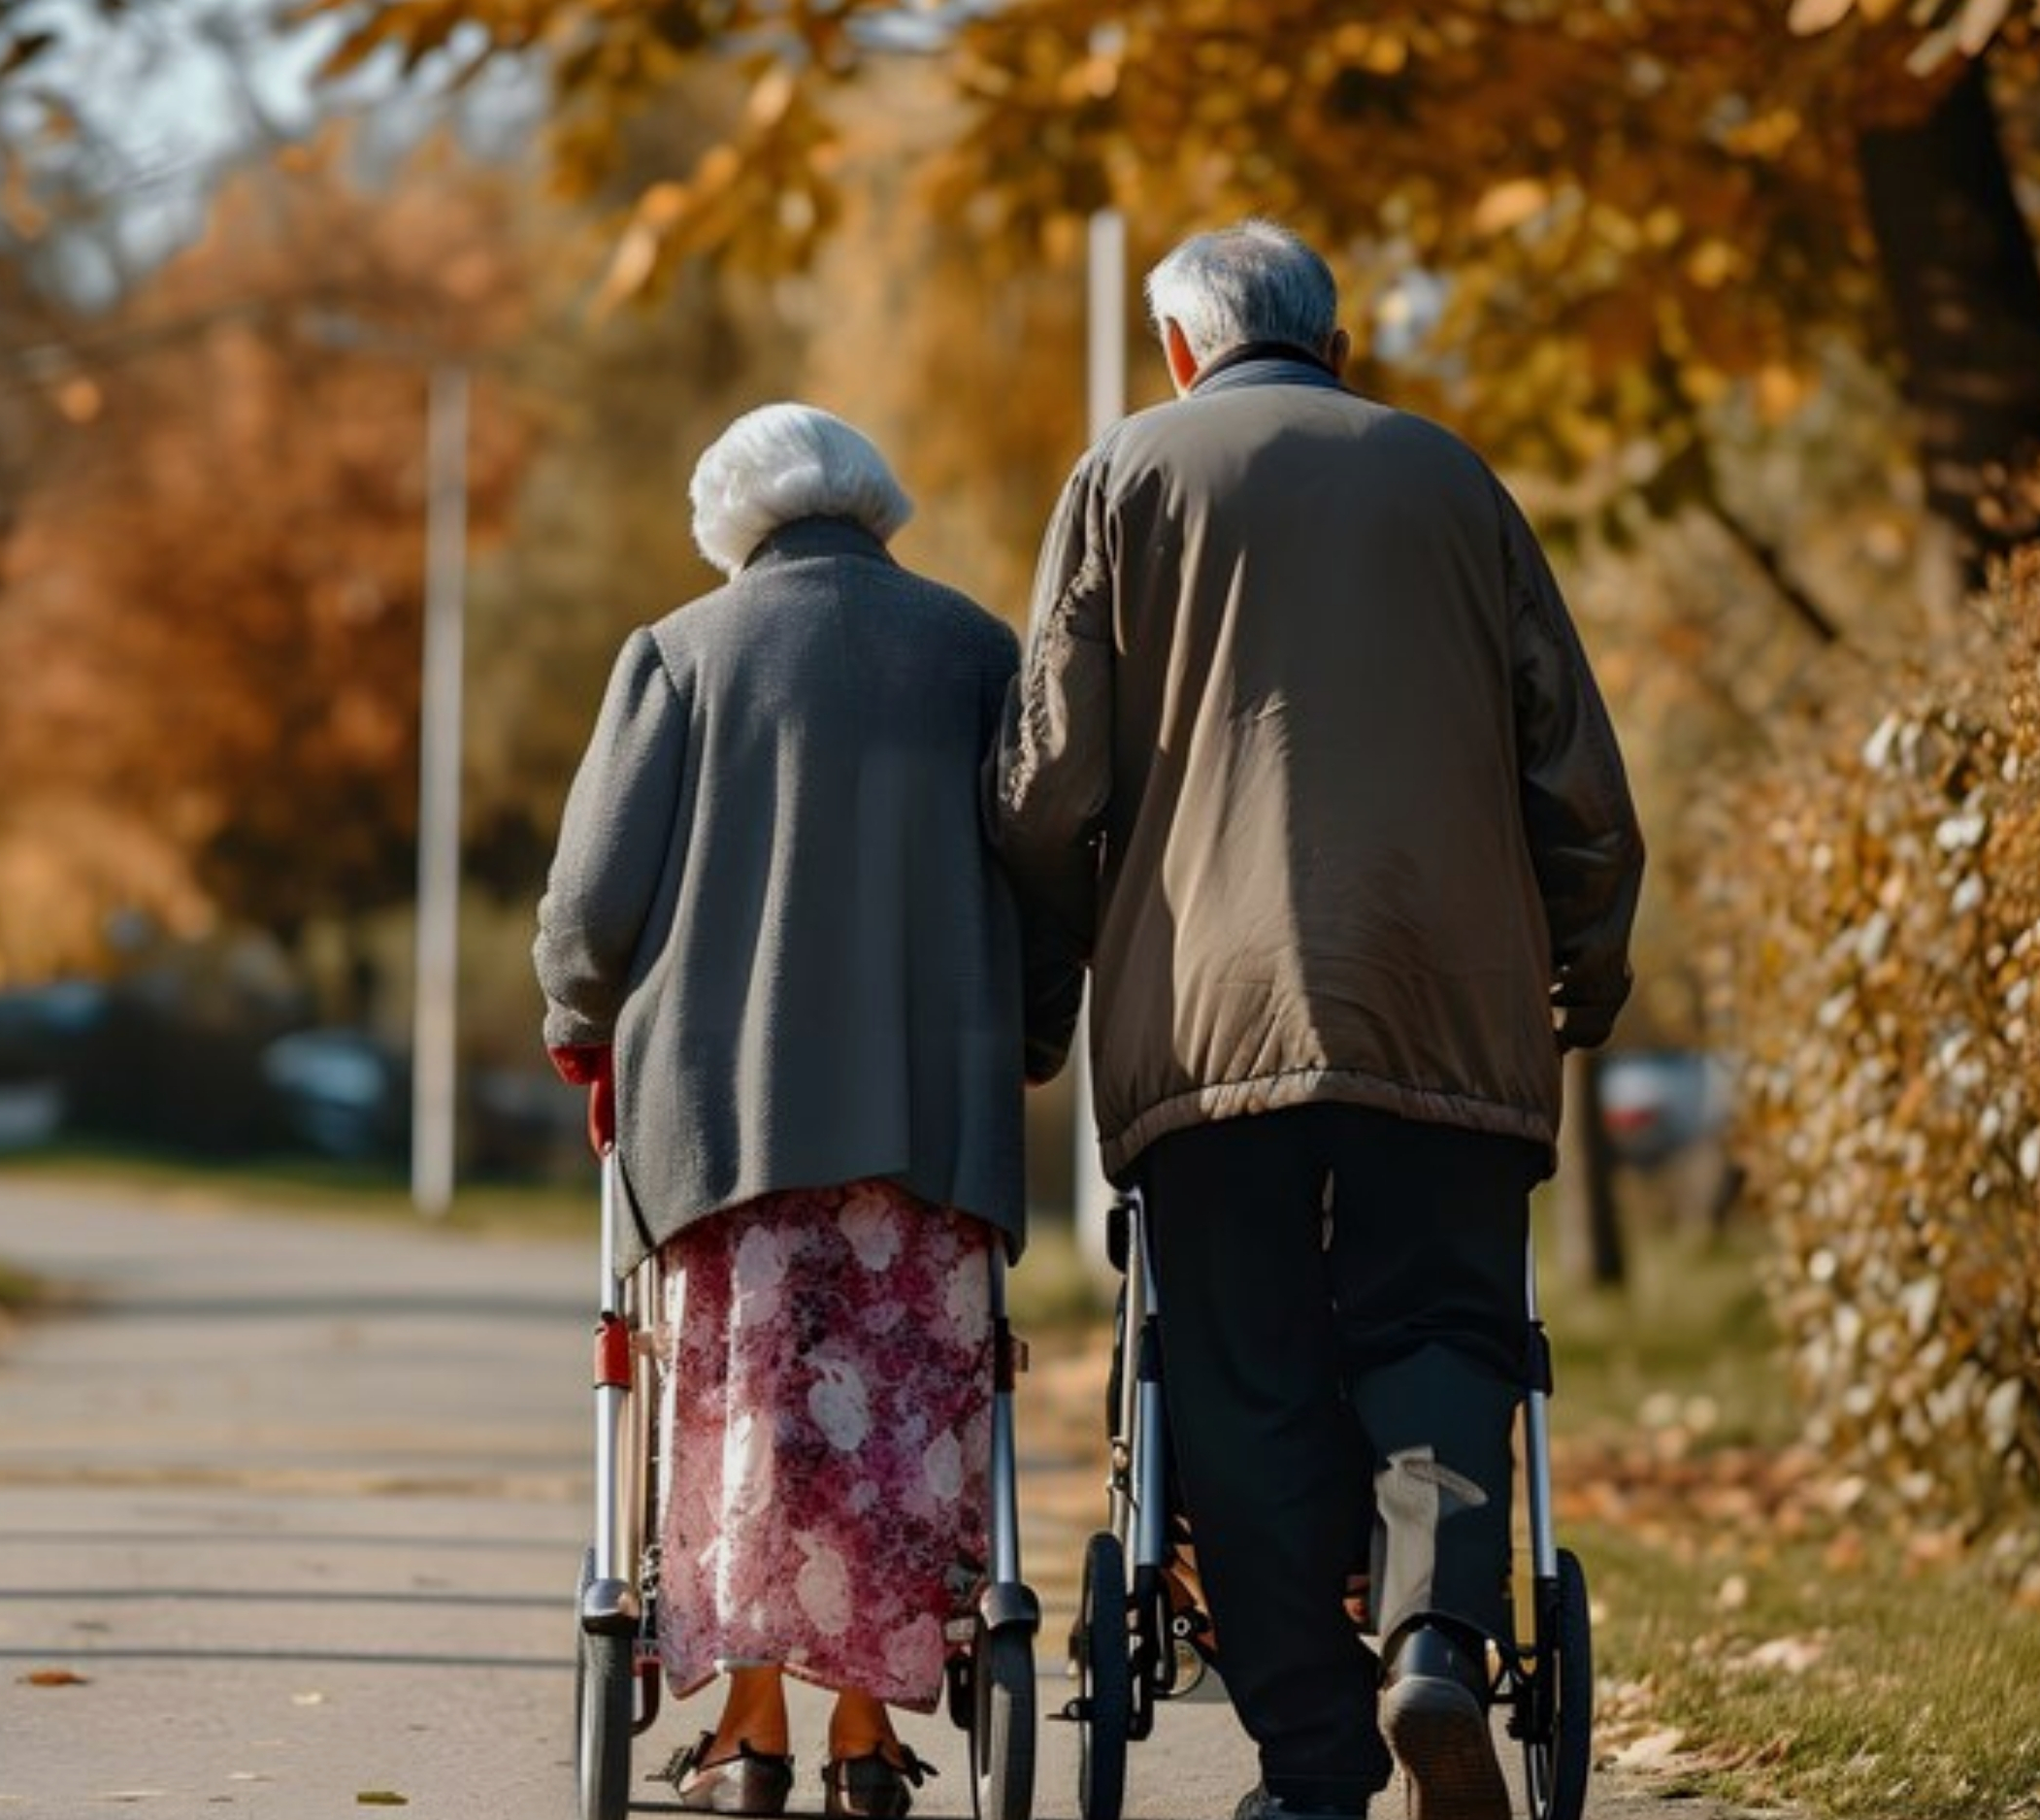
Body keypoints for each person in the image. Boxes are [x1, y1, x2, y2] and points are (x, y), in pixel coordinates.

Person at [991, 220, 1642, 1820]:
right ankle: (1432, 1634)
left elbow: (1043, 781)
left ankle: (1309, 1759)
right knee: (1443, 1327)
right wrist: (1581, 968)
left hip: (1210, 1028)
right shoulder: (1455, 483)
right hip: (1445, 1000)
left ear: (1176, 351)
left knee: (1240, 1370)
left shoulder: (1125, 478)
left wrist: (1067, 968)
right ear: (1334, 344)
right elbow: (1574, 776)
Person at [536, 403, 1070, 1820]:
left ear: (732, 521)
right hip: (928, 1114)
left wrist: (574, 1017)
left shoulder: (677, 655)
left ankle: (749, 1731)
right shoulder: (974, 653)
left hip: (730, 1124)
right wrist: (1032, 1029)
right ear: (870, 503)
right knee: (902, 1419)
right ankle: (860, 1739)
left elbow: (593, 904)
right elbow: (1039, 869)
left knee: (751, 1413)